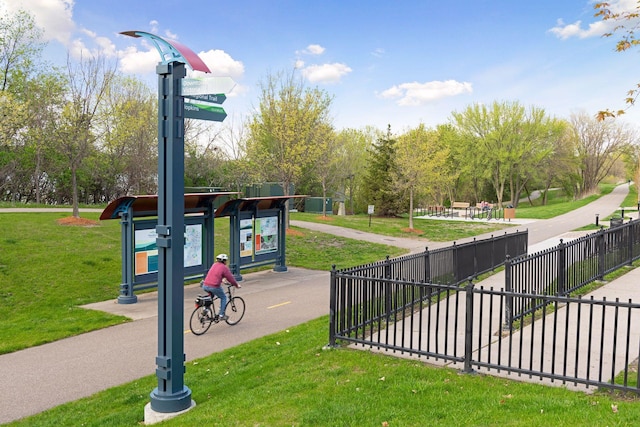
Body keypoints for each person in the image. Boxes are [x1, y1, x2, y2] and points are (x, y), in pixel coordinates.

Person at [202, 253, 241, 320]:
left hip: (205, 285)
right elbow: (230, 278)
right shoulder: (224, 268)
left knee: (211, 297)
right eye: (226, 260)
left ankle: (205, 310)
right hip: (214, 286)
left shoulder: (214, 265)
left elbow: (215, 275)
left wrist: (222, 280)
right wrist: (236, 285)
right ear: (224, 261)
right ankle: (221, 315)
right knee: (224, 298)